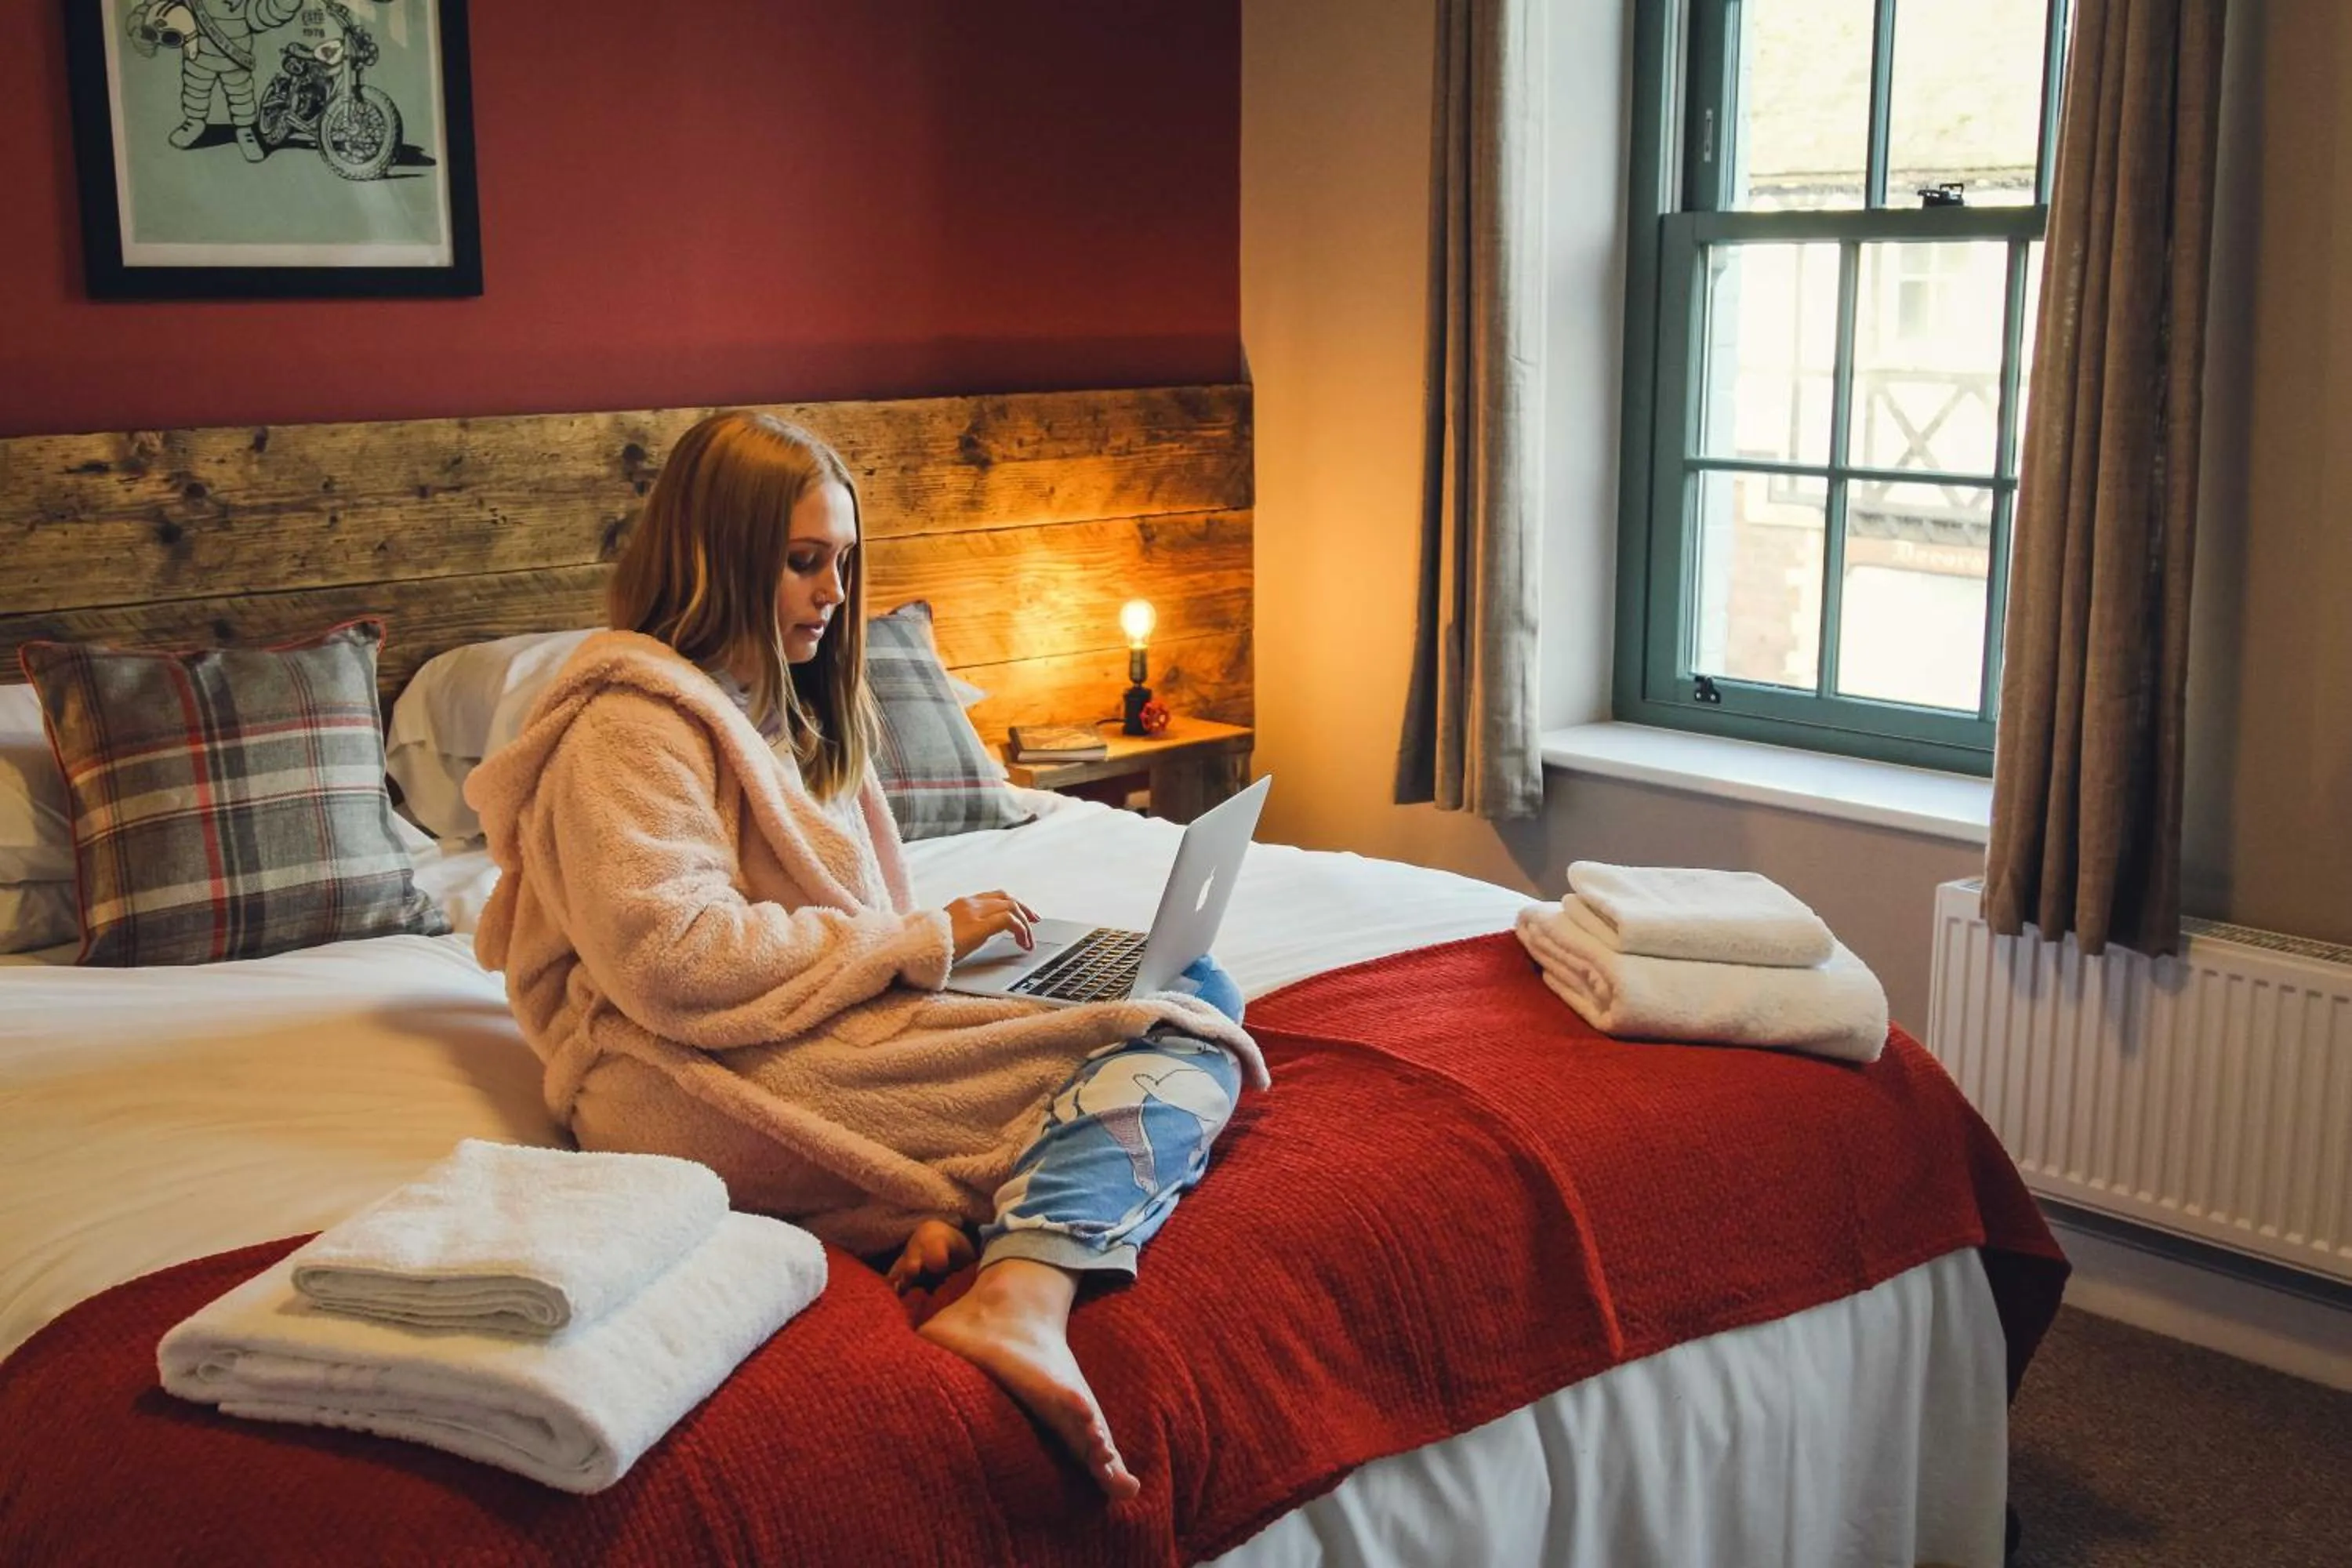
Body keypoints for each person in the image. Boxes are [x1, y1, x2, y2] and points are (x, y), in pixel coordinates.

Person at [465, 411, 1266, 1500]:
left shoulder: (785, 711)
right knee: (1175, 1034)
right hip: (673, 1066)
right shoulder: (627, 726)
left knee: (1184, 987)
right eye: (802, 564)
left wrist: (925, 953)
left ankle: (921, 1218)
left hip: (795, 1017)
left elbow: (842, 914)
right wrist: (919, 943)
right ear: (715, 559)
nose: (833, 596)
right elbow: (670, 955)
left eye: (841, 562)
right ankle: (1022, 1289)